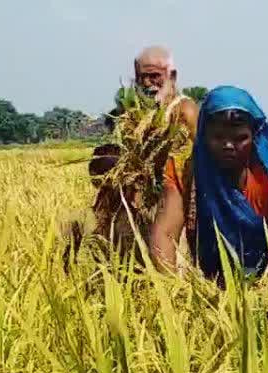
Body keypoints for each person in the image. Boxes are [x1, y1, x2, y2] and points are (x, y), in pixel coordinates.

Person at [149, 86, 268, 298]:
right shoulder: (185, 170)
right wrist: (173, 291)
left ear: (254, 136)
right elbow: (164, 234)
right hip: (212, 283)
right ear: (204, 135)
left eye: (240, 138)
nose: (229, 145)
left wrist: (263, 295)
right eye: (218, 137)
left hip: (267, 280)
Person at [75, 46, 200, 264]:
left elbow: (200, 160)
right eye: (144, 77)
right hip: (142, 204)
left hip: (178, 200)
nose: (150, 83)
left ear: (172, 76)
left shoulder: (185, 111)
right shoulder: (133, 116)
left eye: (156, 76)